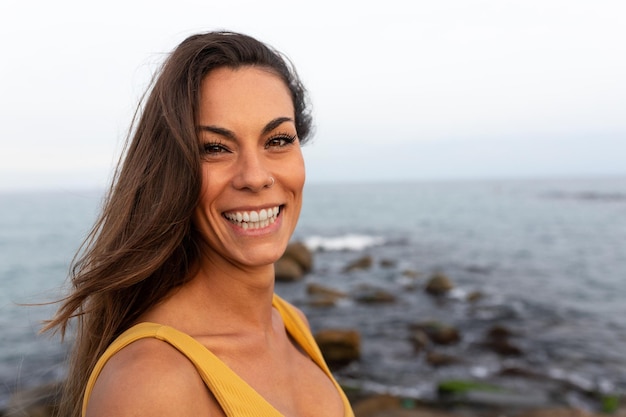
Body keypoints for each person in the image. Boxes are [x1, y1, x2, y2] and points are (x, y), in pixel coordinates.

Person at [45, 31, 354, 417]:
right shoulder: (150, 383)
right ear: (172, 172)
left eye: (277, 140)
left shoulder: (292, 325)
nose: (255, 177)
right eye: (215, 148)